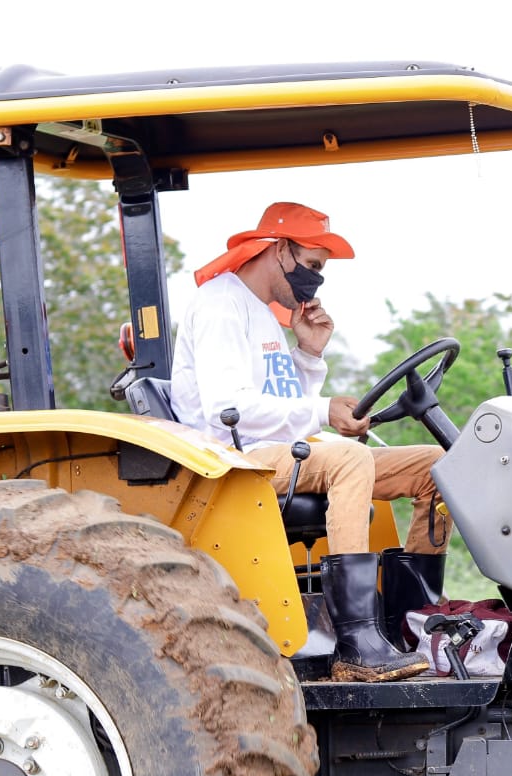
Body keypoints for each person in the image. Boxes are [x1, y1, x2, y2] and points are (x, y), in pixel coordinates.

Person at [171, 202, 450, 683]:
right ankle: (356, 643)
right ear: (280, 250)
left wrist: (308, 354)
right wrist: (323, 411)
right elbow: (226, 408)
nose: (316, 281)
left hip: (278, 452)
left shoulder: (264, 315)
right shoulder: (221, 305)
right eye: (313, 266)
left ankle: (414, 624)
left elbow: (283, 405)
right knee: (348, 459)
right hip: (232, 460)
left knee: (436, 465)